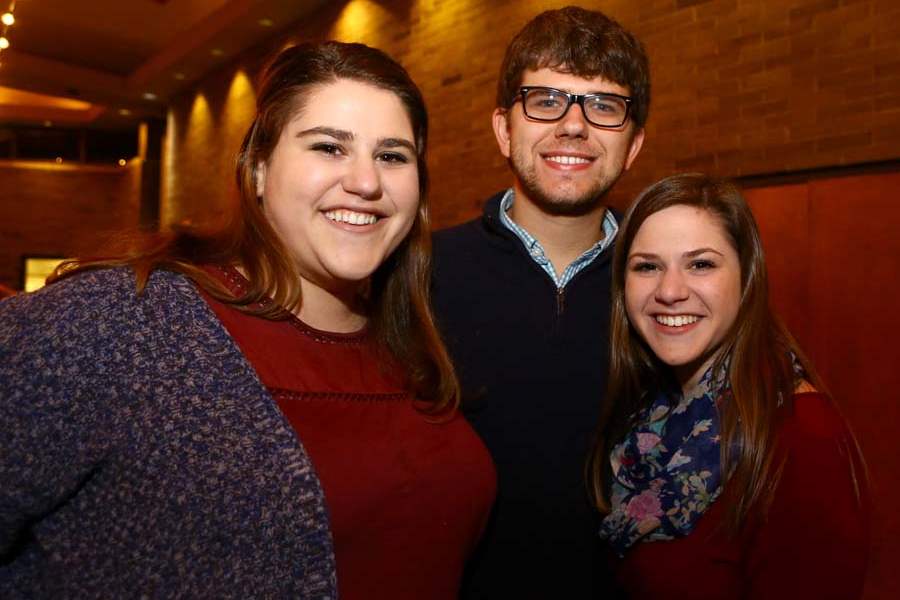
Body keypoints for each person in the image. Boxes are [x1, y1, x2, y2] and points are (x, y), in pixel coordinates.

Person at [0, 41, 495, 599]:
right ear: (257, 169)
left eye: (393, 155)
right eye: (330, 147)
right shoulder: (120, 322)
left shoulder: (414, 338)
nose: (365, 182)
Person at [431, 6, 649, 598]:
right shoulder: (416, 276)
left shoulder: (667, 287)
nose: (573, 126)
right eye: (546, 100)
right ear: (504, 128)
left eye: (604, 105)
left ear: (633, 144)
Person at [589, 173, 870, 599]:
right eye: (647, 266)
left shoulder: (802, 437)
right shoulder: (648, 420)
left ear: (747, 276)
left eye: (701, 264)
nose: (669, 291)